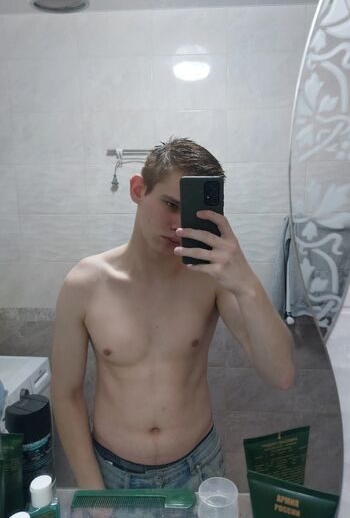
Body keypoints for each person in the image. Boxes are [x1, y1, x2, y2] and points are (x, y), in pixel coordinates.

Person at [51, 137, 295, 490]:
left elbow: (282, 375)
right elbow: (66, 393)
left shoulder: (211, 279)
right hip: (113, 474)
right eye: (170, 205)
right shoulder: (84, 284)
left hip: (199, 469)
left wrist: (246, 282)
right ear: (138, 190)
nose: (179, 226)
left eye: (190, 212)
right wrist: (93, 489)